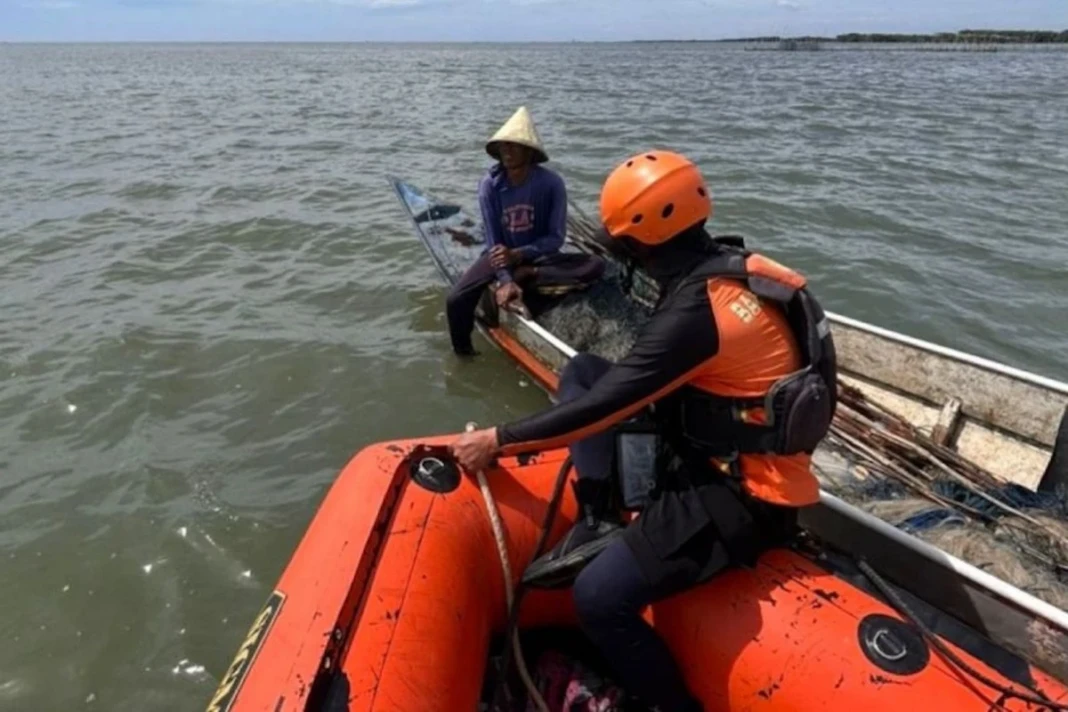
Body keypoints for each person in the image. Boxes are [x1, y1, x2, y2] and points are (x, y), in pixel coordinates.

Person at [449, 150, 838, 711]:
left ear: (642, 242)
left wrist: (499, 439)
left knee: (598, 597)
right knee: (584, 368)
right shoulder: (732, 271)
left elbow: (605, 407)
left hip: (741, 494)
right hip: (708, 447)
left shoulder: (701, 313)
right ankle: (599, 517)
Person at [445, 106, 605, 356]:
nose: (506, 151)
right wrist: (506, 278)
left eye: (514, 145)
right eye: (503, 146)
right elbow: (494, 240)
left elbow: (555, 238)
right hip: (499, 255)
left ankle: (527, 274)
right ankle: (465, 354)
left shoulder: (551, 184)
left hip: (537, 256)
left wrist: (520, 256)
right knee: (455, 300)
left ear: (529, 153)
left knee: (595, 265)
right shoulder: (490, 185)